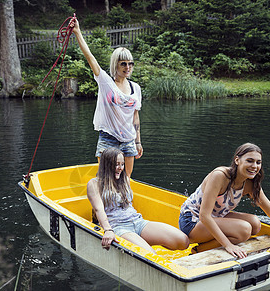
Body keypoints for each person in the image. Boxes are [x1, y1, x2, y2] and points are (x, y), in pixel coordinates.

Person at [179, 143, 270, 258]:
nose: (254, 166)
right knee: (244, 230)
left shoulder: (250, 183)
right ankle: (198, 250)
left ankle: (208, 244)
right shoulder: (220, 176)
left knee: (255, 224)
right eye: (249, 161)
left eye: (258, 162)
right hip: (192, 221)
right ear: (237, 160)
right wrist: (228, 245)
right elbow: (204, 215)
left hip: (215, 217)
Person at [71, 18, 142, 178]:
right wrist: (77, 32)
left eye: (130, 63)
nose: (127, 67)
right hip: (108, 138)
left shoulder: (135, 88)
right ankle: (103, 203)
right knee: (105, 179)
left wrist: (137, 141)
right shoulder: (105, 82)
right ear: (115, 65)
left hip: (129, 140)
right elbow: (89, 57)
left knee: (126, 179)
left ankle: (124, 203)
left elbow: (135, 116)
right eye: (123, 63)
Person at [87, 147, 189, 253]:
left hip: (137, 222)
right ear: (107, 165)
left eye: (122, 164)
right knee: (151, 255)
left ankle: (140, 240)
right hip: (117, 227)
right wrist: (108, 230)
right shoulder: (94, 184)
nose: (120, 168)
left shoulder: (125, 180)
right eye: (117, 164)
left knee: (183, 241)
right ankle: (139, 243)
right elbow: (99, 210)